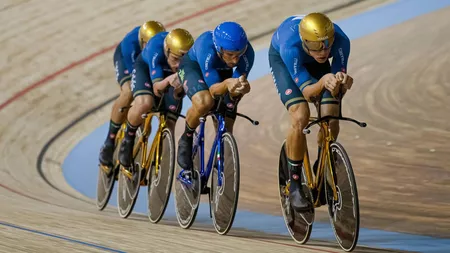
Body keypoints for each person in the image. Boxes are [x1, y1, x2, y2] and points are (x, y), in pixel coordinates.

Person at [269, 13, 353, 211]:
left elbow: (337, 85)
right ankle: (295, 183)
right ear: (305, 41)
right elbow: (308, 93)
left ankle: (322, 166)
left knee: (331, 115)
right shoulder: (290, 47)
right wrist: (324, 81)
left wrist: (342, 83)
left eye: (327, 45)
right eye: (316, 46)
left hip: (313, 64)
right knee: (300, 116)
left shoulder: (341, 41)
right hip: (285, 62)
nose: (323, 51)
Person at [176, 21, 255, 177]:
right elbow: (213, 90)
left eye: (239, 54)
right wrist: (227, 84)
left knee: (227, 117)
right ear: (219, 49)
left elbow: (236, 88)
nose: (235, 60)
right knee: (205, 102)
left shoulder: (248, 54)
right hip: (195, 69)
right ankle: (186, 137)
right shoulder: (206, 47)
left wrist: (240, 89)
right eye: (230, 55)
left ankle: (220, 156)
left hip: (221, 73)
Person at [118, 28, 195, 170]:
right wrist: (169, 80)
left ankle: (161, 167)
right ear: (167, 50)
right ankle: (128, 139)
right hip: (146, 71)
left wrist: (180, 91)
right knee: (145, 103)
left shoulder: (191, 58)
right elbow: (157, 88)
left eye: (182, 60)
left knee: (170, 123)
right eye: (175, 59)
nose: (178, 65)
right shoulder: (156, 49)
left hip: (169, 77)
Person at [99, 20, 166, 167]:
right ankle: (109, 141)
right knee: (129, 91)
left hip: (146, 61)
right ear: (142, 42)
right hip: (126, 60)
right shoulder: (131, 45)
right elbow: (136, 74)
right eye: (148, 45)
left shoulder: (161, 45)